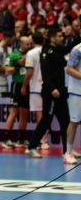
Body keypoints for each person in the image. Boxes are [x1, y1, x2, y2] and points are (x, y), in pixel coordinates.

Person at [26, 29, 71, 159]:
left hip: (61, 92)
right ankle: (32, 147)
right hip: (51, 93)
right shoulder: (46, 52)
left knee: (65, 121)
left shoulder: (59, 50)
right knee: (46, 120)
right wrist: (52, 89)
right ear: (52, 38)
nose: (62, 38)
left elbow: (70, 47)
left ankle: (67, 150)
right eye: (59, 36)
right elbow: (45, 73)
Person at [2, 36, 33, 149]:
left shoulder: (32, 54)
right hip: (17, 85)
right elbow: (7, 71)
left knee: (25, 112)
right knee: (14, 111)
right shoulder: (13, 55)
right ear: (21, 44)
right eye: (27, 44)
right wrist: (19, 64)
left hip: (28, 85)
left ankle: (21, 139)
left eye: (30, 44)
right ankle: (6, 139)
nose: (29, 46)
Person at [22, 33, 51, 151]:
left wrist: (24, 86)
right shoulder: (48, 51)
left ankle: (43, 140)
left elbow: (29, 72)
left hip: (36, 87)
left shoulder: (31, 53)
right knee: (47, 114)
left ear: (33, 41)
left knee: (39, 114)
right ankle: (44, 140)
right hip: (48, 86)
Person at [64, 39, 81, 162]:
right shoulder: (77, 50)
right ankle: (68, 152)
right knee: (74, 121)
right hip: (77, 91)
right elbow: (69, 69)